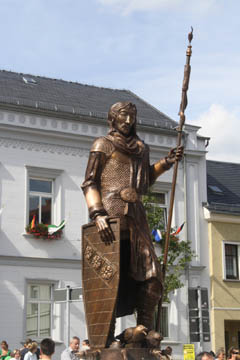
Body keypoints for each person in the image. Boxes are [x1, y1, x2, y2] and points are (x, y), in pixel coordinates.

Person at [82, 101, 183, 343]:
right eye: (124, 116)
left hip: (136, 220)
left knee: (153, 277)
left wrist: (166, 163)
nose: (128, 121)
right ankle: (106, 341)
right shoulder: (102, 144)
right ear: (113, 118)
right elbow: (89, 182)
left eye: (132, 116)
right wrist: (97, 214)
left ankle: (144, 334)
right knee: (110, 282)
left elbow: (144, 181)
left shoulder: (141, 148)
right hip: (110, 219)